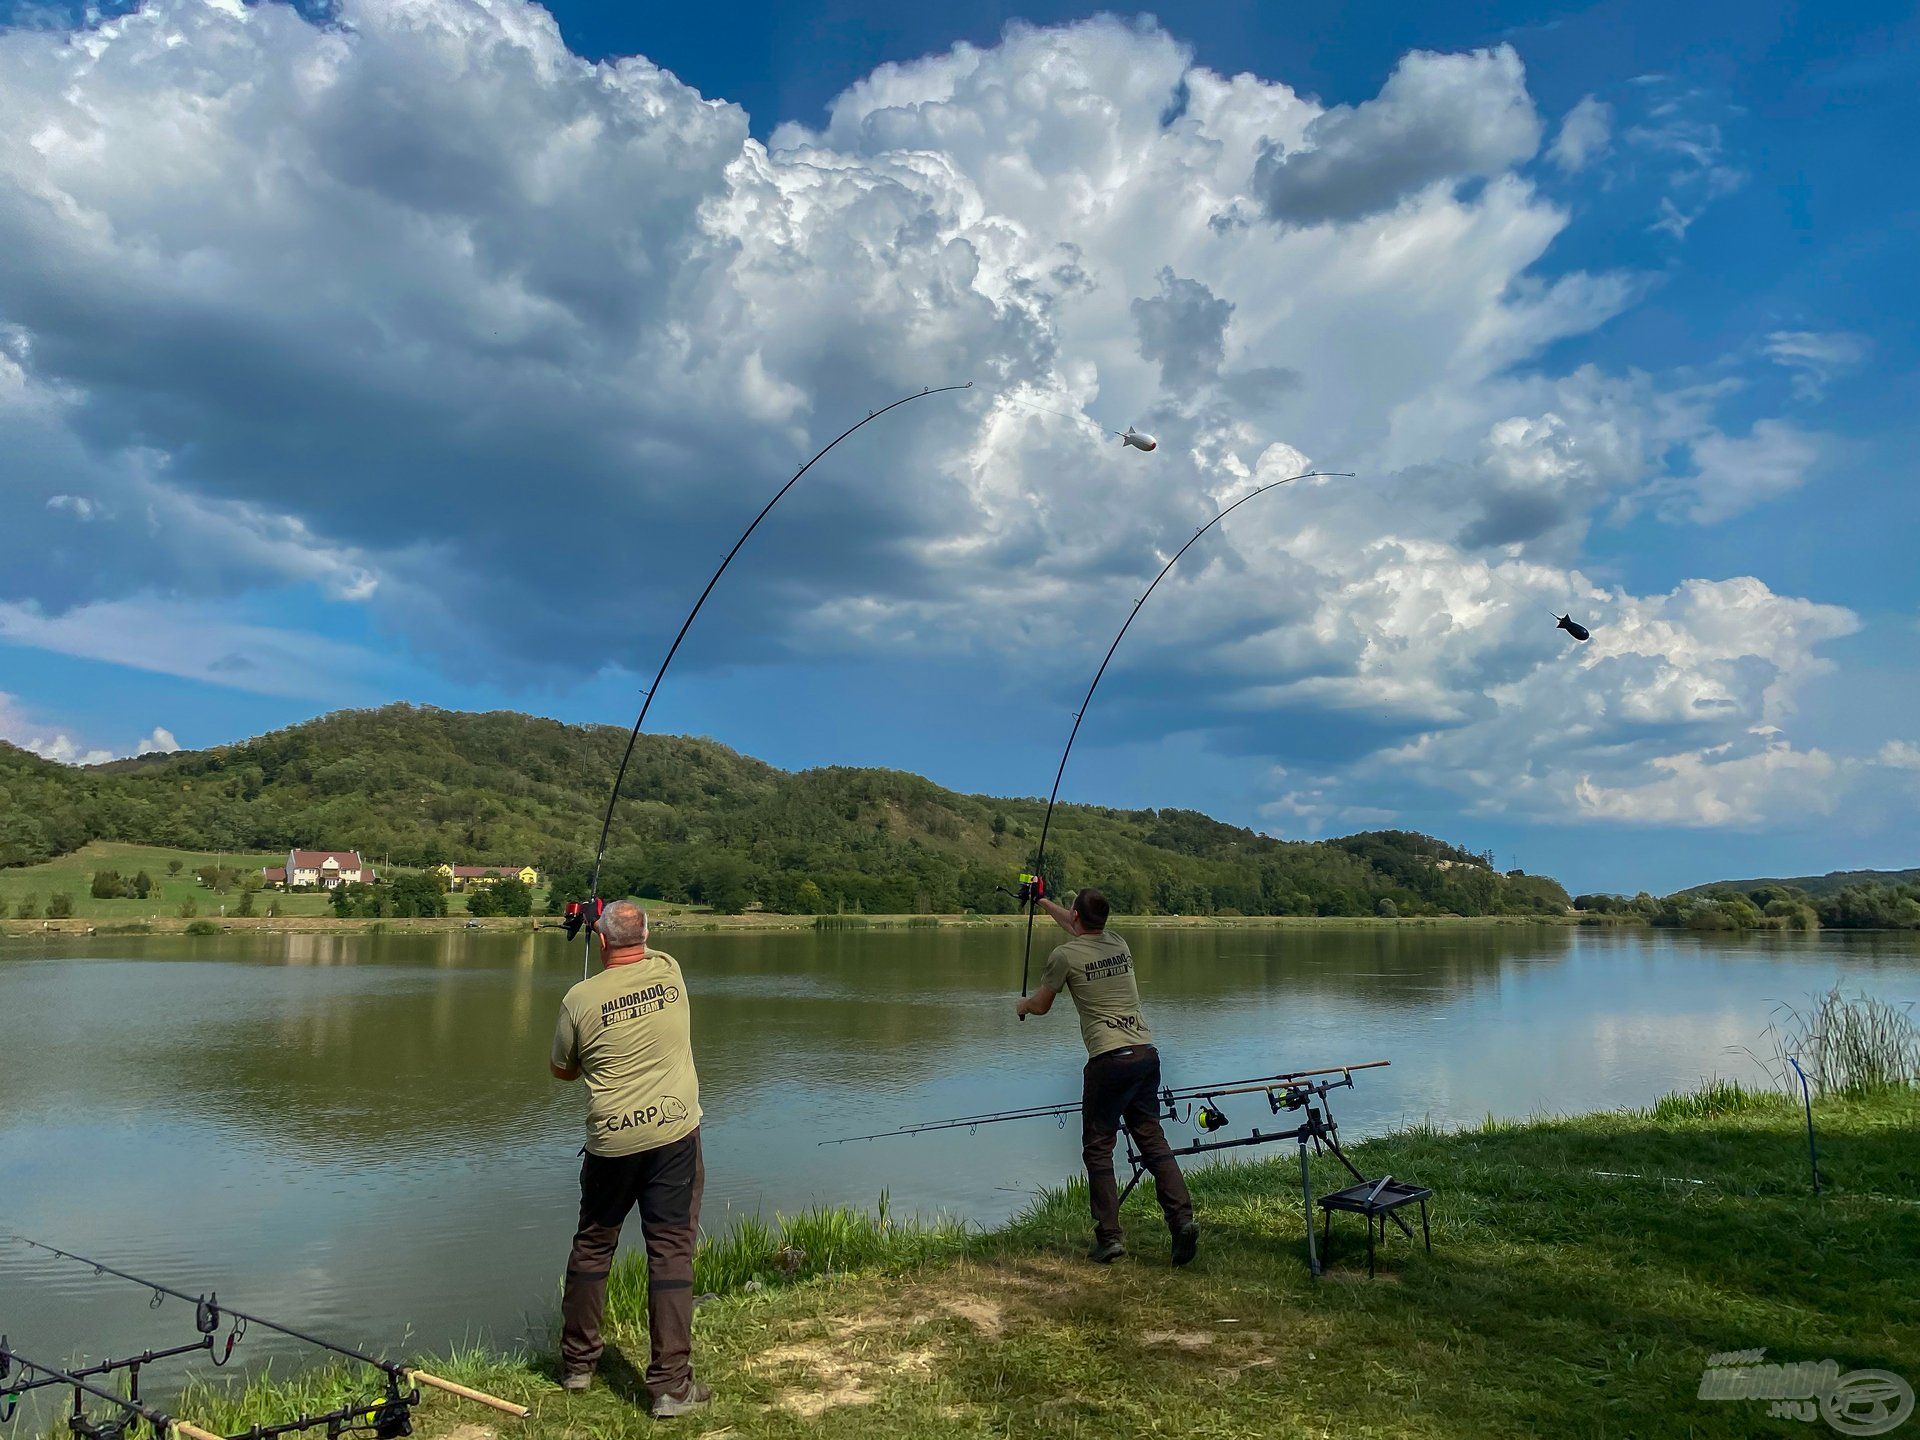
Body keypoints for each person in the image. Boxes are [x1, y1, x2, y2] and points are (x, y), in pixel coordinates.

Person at [549, 899, 711, 1418]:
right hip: (674, 1135)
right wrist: (603, 917)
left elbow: (562, 1071)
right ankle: (669, 1385)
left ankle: (577, 1366)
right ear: (646, 936)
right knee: (670, 1249)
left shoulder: (579, 999)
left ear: (598, 942)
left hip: (612, 1143)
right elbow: (634, 941)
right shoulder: (670, 972)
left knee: (594, 1244)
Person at [1015, 886, 1198, 1265]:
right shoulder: (1118, 942)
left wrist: (1023, 1006)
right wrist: (1041, 900)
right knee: (1152, 1139)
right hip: (1145, 1053)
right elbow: (1076, 924)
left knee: (1098, 1147)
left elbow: (1042, 1006)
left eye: (1071, 912)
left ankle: (1110, 1238)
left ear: (1077, 915)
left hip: (1108, 1059)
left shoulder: (1064, 956)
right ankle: (1181, 1221)